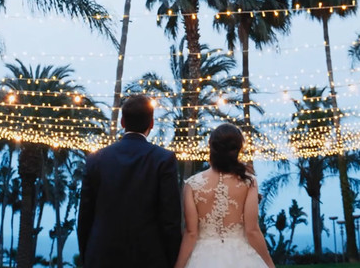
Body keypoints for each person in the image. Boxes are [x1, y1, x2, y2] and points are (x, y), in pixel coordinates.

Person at [77, 94, 182, 268]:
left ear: (122, 122)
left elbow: (85, 217)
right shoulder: (164, 159)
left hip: (101, 255)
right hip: (149, 257)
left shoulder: (96, 159)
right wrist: (171, 260)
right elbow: (170, 219)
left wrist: (88, 256)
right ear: (151, 124)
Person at [174, 124, 276, 268]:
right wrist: (270, 264)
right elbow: (252, 230)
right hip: (243, 258)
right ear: (238, 149)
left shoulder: (192, 184)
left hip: (202, 258)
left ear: (211, 148)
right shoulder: (248, 182)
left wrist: (178, 265)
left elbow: (191, 233)